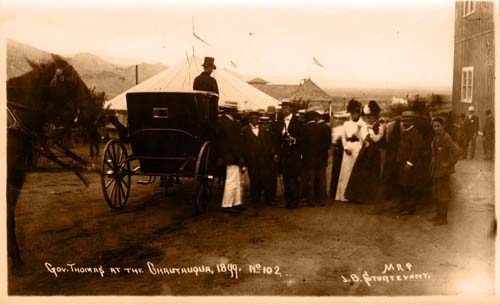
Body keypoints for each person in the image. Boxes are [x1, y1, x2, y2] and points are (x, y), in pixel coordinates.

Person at [345, 100, 384, 204]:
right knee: (360, 173)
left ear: (376, 117)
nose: (370, 119)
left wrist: (369, 132)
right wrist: (363, 132)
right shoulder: (366, 126)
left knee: (371, 174)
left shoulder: (380, 127)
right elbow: (359, 137)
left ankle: (369, 198)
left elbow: (376, 139)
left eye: (372, 117)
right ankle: (357, 197)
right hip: (365, 152)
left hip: (373, 153)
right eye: (368, 117)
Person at [428, 117, 461, 225]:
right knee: (437, 194)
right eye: (434, 126)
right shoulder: (436, 137)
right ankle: (438, 215)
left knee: (443, 194)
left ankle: (443, 219)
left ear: (443, 126)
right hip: (436, 170)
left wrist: (448, 163)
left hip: (443, 171)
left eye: (438, 126)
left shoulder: (446, 138)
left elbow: (456, 152)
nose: (436, 128)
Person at [241, 112, 276, 208]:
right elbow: (243, 146)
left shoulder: (263, 130)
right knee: (254, 181)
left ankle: (268, 200)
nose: (255, 120)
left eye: (256, 118)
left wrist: (271, 154)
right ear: (249, 120)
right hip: (252, 160)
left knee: (266, 179)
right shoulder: (244, 130)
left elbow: (269, 143)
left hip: (264, 159)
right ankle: (255, 201)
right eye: (252, 118)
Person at [335, 99, 367, 202]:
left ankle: (354, 195)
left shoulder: (363, 124)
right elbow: (343, 137)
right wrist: (345, 147)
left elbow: (363, 138)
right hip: (348, 148)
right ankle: (343, 195)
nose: (353, 115)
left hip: (357, 147)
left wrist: (361, 148)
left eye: (355, 113)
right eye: (352, 113)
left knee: (355, 171)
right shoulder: (346, 124)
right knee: (346, 171)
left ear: (359, 113)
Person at [216, 101, 244, 214]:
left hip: (232, 154)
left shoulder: (228, 121)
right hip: (230, 155)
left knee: (237, 180)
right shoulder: (225, 122)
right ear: (231, 111)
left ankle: (237, 202)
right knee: (232, 180)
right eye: (235, 110)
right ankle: (226, 204)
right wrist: (239, 156)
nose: (237, 112)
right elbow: (231, 143)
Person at [396, 111, 425, 215]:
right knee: (403, 185)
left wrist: (409, 163)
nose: (404, 122)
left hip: (409, 165)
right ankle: (403, 206)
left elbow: (415, 150)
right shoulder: (405, 132)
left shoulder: (415, 134)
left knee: (409, 186)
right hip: (402, 163)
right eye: (404, 120)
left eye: (407, 120)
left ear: (412, 121)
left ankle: (410, 208)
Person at [277, 100, 304, 209]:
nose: (285, 110)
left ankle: (294, 202)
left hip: (294, 154)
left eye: (287, 108)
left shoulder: (297, 121)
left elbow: (304, 137)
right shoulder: (280, 121)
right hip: (284, 154)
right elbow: (276, 138)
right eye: (283, 108)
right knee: (285, 178)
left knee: (293, 178)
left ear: (291, 109)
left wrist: (294, 140)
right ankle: (288, 201)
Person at [303, 111, 331, 206]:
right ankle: (322, 200)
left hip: (310, 158)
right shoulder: (323, 127)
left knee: (311, 180)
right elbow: (327, 144)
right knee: (321, 179)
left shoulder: (305, 128)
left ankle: (311, 201)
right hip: (321, 157)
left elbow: (304, 145)